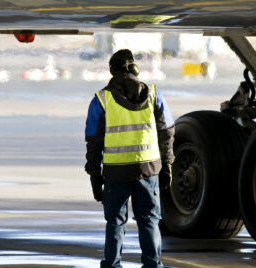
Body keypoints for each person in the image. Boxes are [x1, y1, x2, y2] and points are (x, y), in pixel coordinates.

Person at [85, 49, 175, 268]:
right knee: (149, 221)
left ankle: (113, 264)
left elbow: (93, 141)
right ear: (134, 68)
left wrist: (95, 175)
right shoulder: (154, 94)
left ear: (112, 71)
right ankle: (153, 265)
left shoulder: (101, 99)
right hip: (149, 170)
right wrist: (167, 164)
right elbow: (168, 131)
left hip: (116, 173)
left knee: (115, 222)